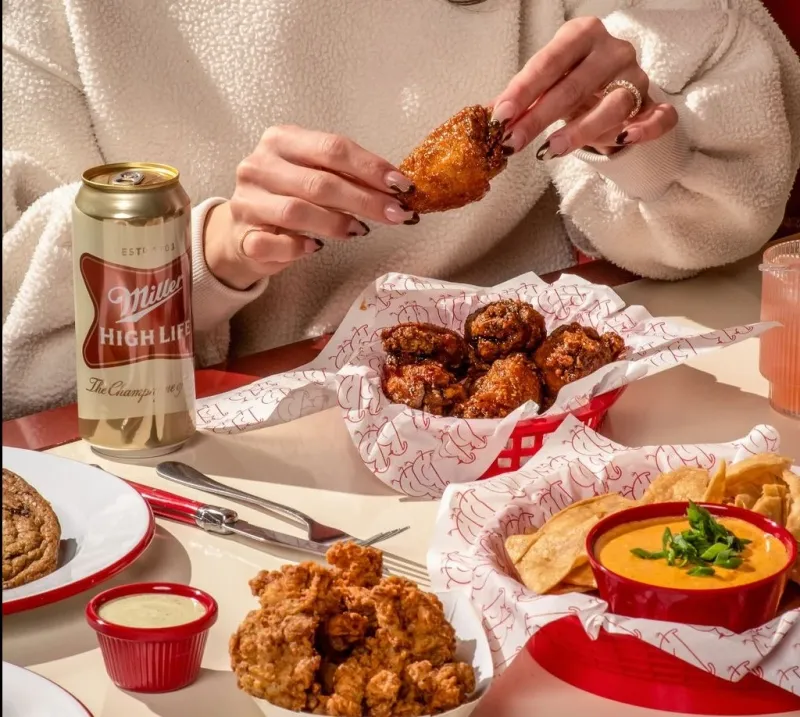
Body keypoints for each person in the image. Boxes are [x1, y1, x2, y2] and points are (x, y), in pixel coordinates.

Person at [3, 0, 799, 420]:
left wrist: (641, 138)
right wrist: (203, 252)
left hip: (567, 424)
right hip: (222, 456)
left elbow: (729, 214)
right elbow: (20, 351)